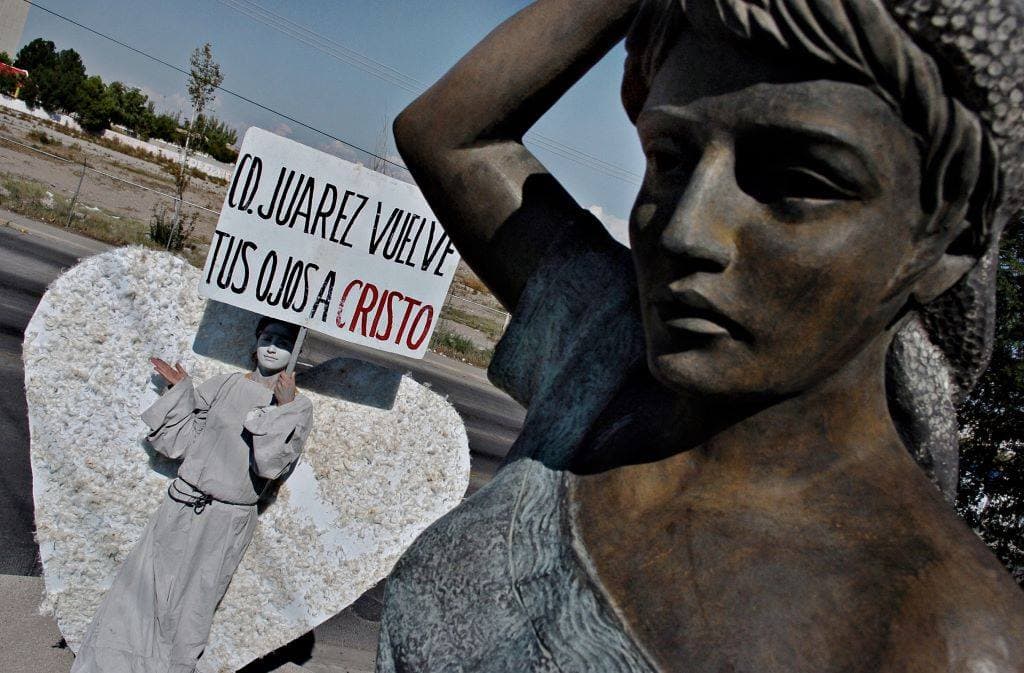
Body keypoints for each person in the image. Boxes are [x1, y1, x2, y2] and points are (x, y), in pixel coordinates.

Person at [375, 0, 1024, 671]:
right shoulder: (608, 355)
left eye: (795, 181)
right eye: (671, 158)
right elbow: (448, 135)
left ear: (951, 238)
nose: (688, 230)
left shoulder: (947, 638)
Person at [71, 317, 314, 673]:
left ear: (295, 355)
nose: (273, 346)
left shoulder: (299, 407)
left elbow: (270, 465)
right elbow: (182, 441)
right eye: (268, 337)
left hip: (226, 519)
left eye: (285, 342)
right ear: (256, 342)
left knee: (193, 608)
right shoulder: (226, 384)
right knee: (140, 590)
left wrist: (284, 407)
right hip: (182, 501)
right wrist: (182, 390)